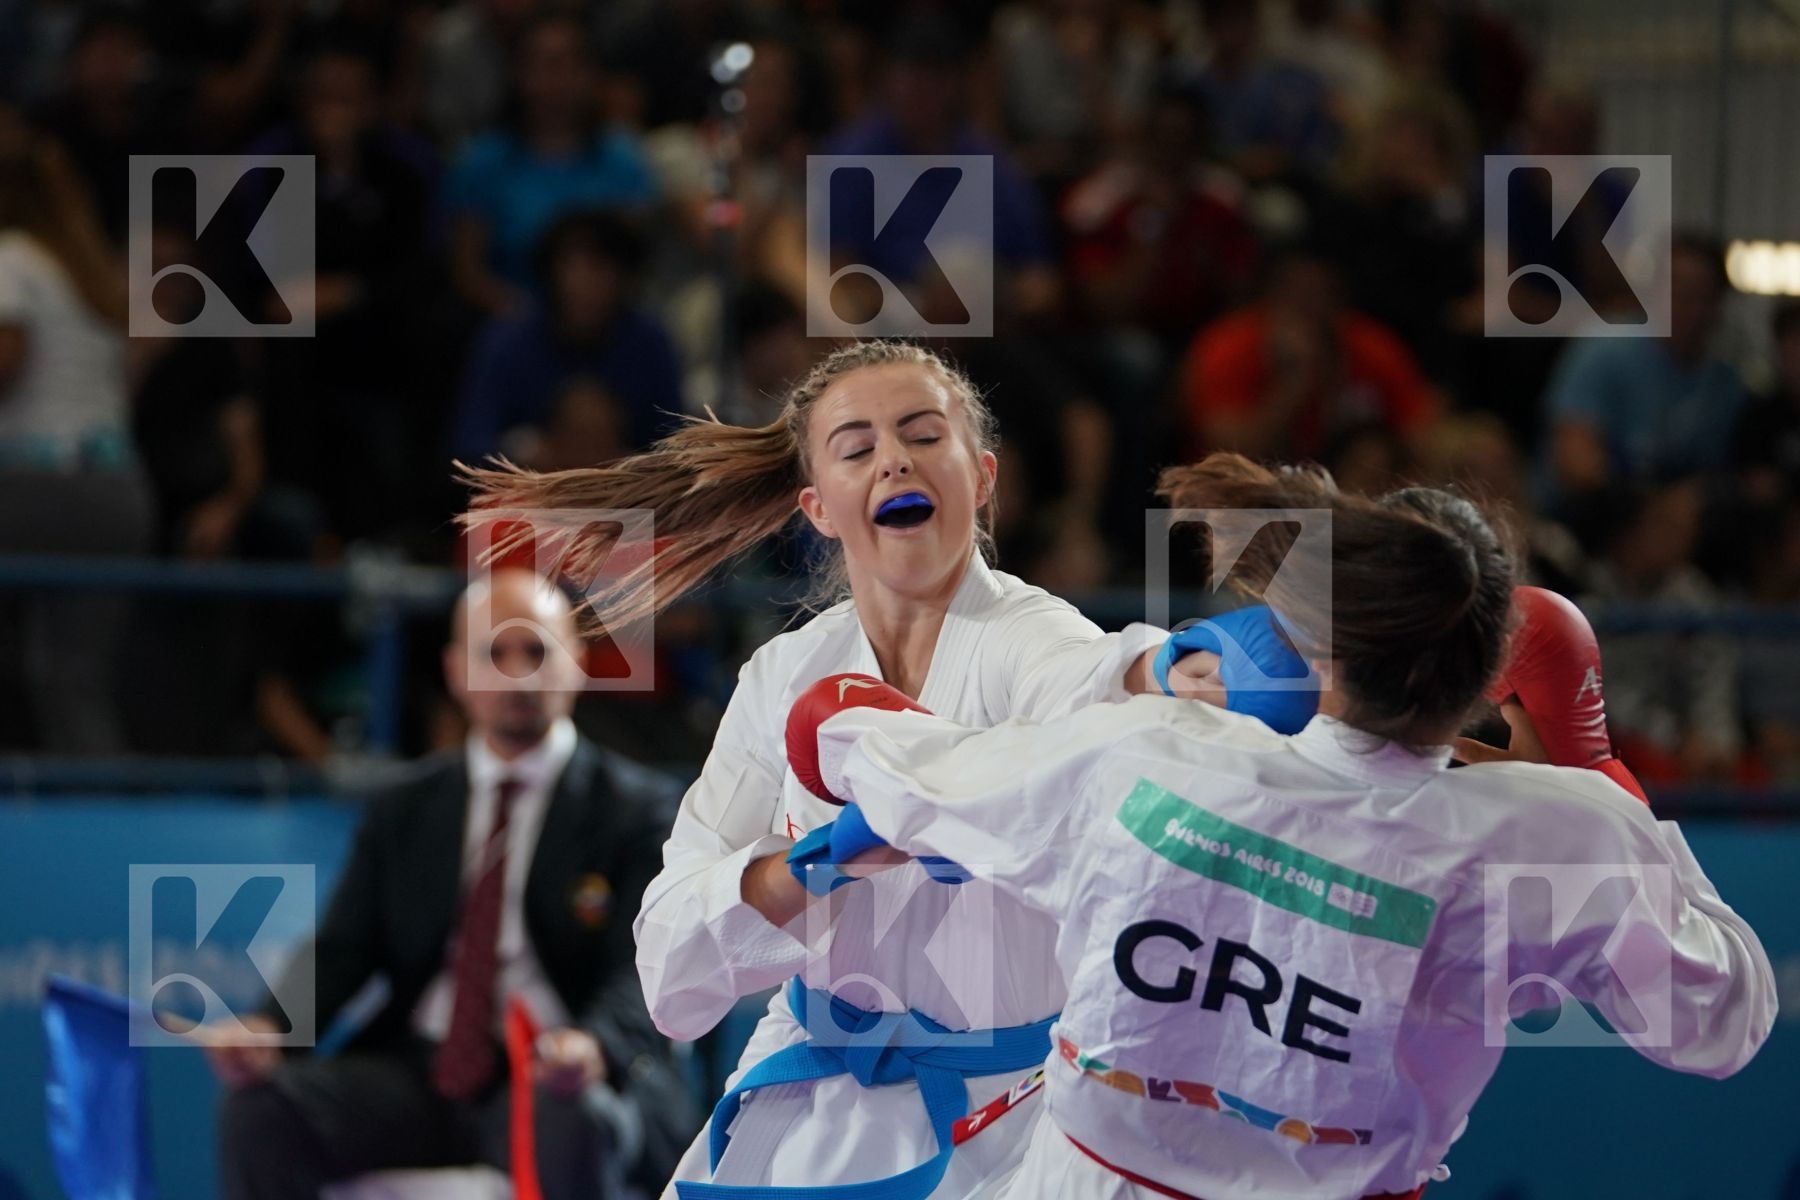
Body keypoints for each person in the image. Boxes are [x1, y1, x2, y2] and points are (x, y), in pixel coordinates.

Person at [785, 454, 1775, 1200]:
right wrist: (1602, 777)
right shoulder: (1541, 838)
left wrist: (847, 718)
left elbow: (880, 756)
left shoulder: (1147, 756)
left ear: (1317, 643)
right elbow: (1717, 1023)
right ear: (1485, 682)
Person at [457, 340, 1222, 1199]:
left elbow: (1092, 678)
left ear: (984, 477)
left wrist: (1170, 671)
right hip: (814, 1091)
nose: (894, 457)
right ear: (819, 507)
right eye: (858, 448)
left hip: (1012, 1117)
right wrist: (821, 862)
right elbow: (670, 969)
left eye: (925, 436)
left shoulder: (1031, 637)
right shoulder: (783, 676)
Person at [207, 569, 695, 1200]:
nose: (517, 673)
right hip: (424, 1071)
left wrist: (591, 1047)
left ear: (577, 663)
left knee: (570, 1118)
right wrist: (273, 1026)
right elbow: (346, 946)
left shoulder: (637, 811)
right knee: (260, 1111)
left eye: (537, 652)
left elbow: (649, 969)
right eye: (494, 653)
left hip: (558, 1075)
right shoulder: (404, 808)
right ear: (455, 670)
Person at [0, 102, 153, 754]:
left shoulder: (11, 256)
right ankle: (101, 833)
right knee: (70, 675)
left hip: (41, 489)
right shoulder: (92, 273)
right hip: (118, 494)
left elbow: (6, 361)